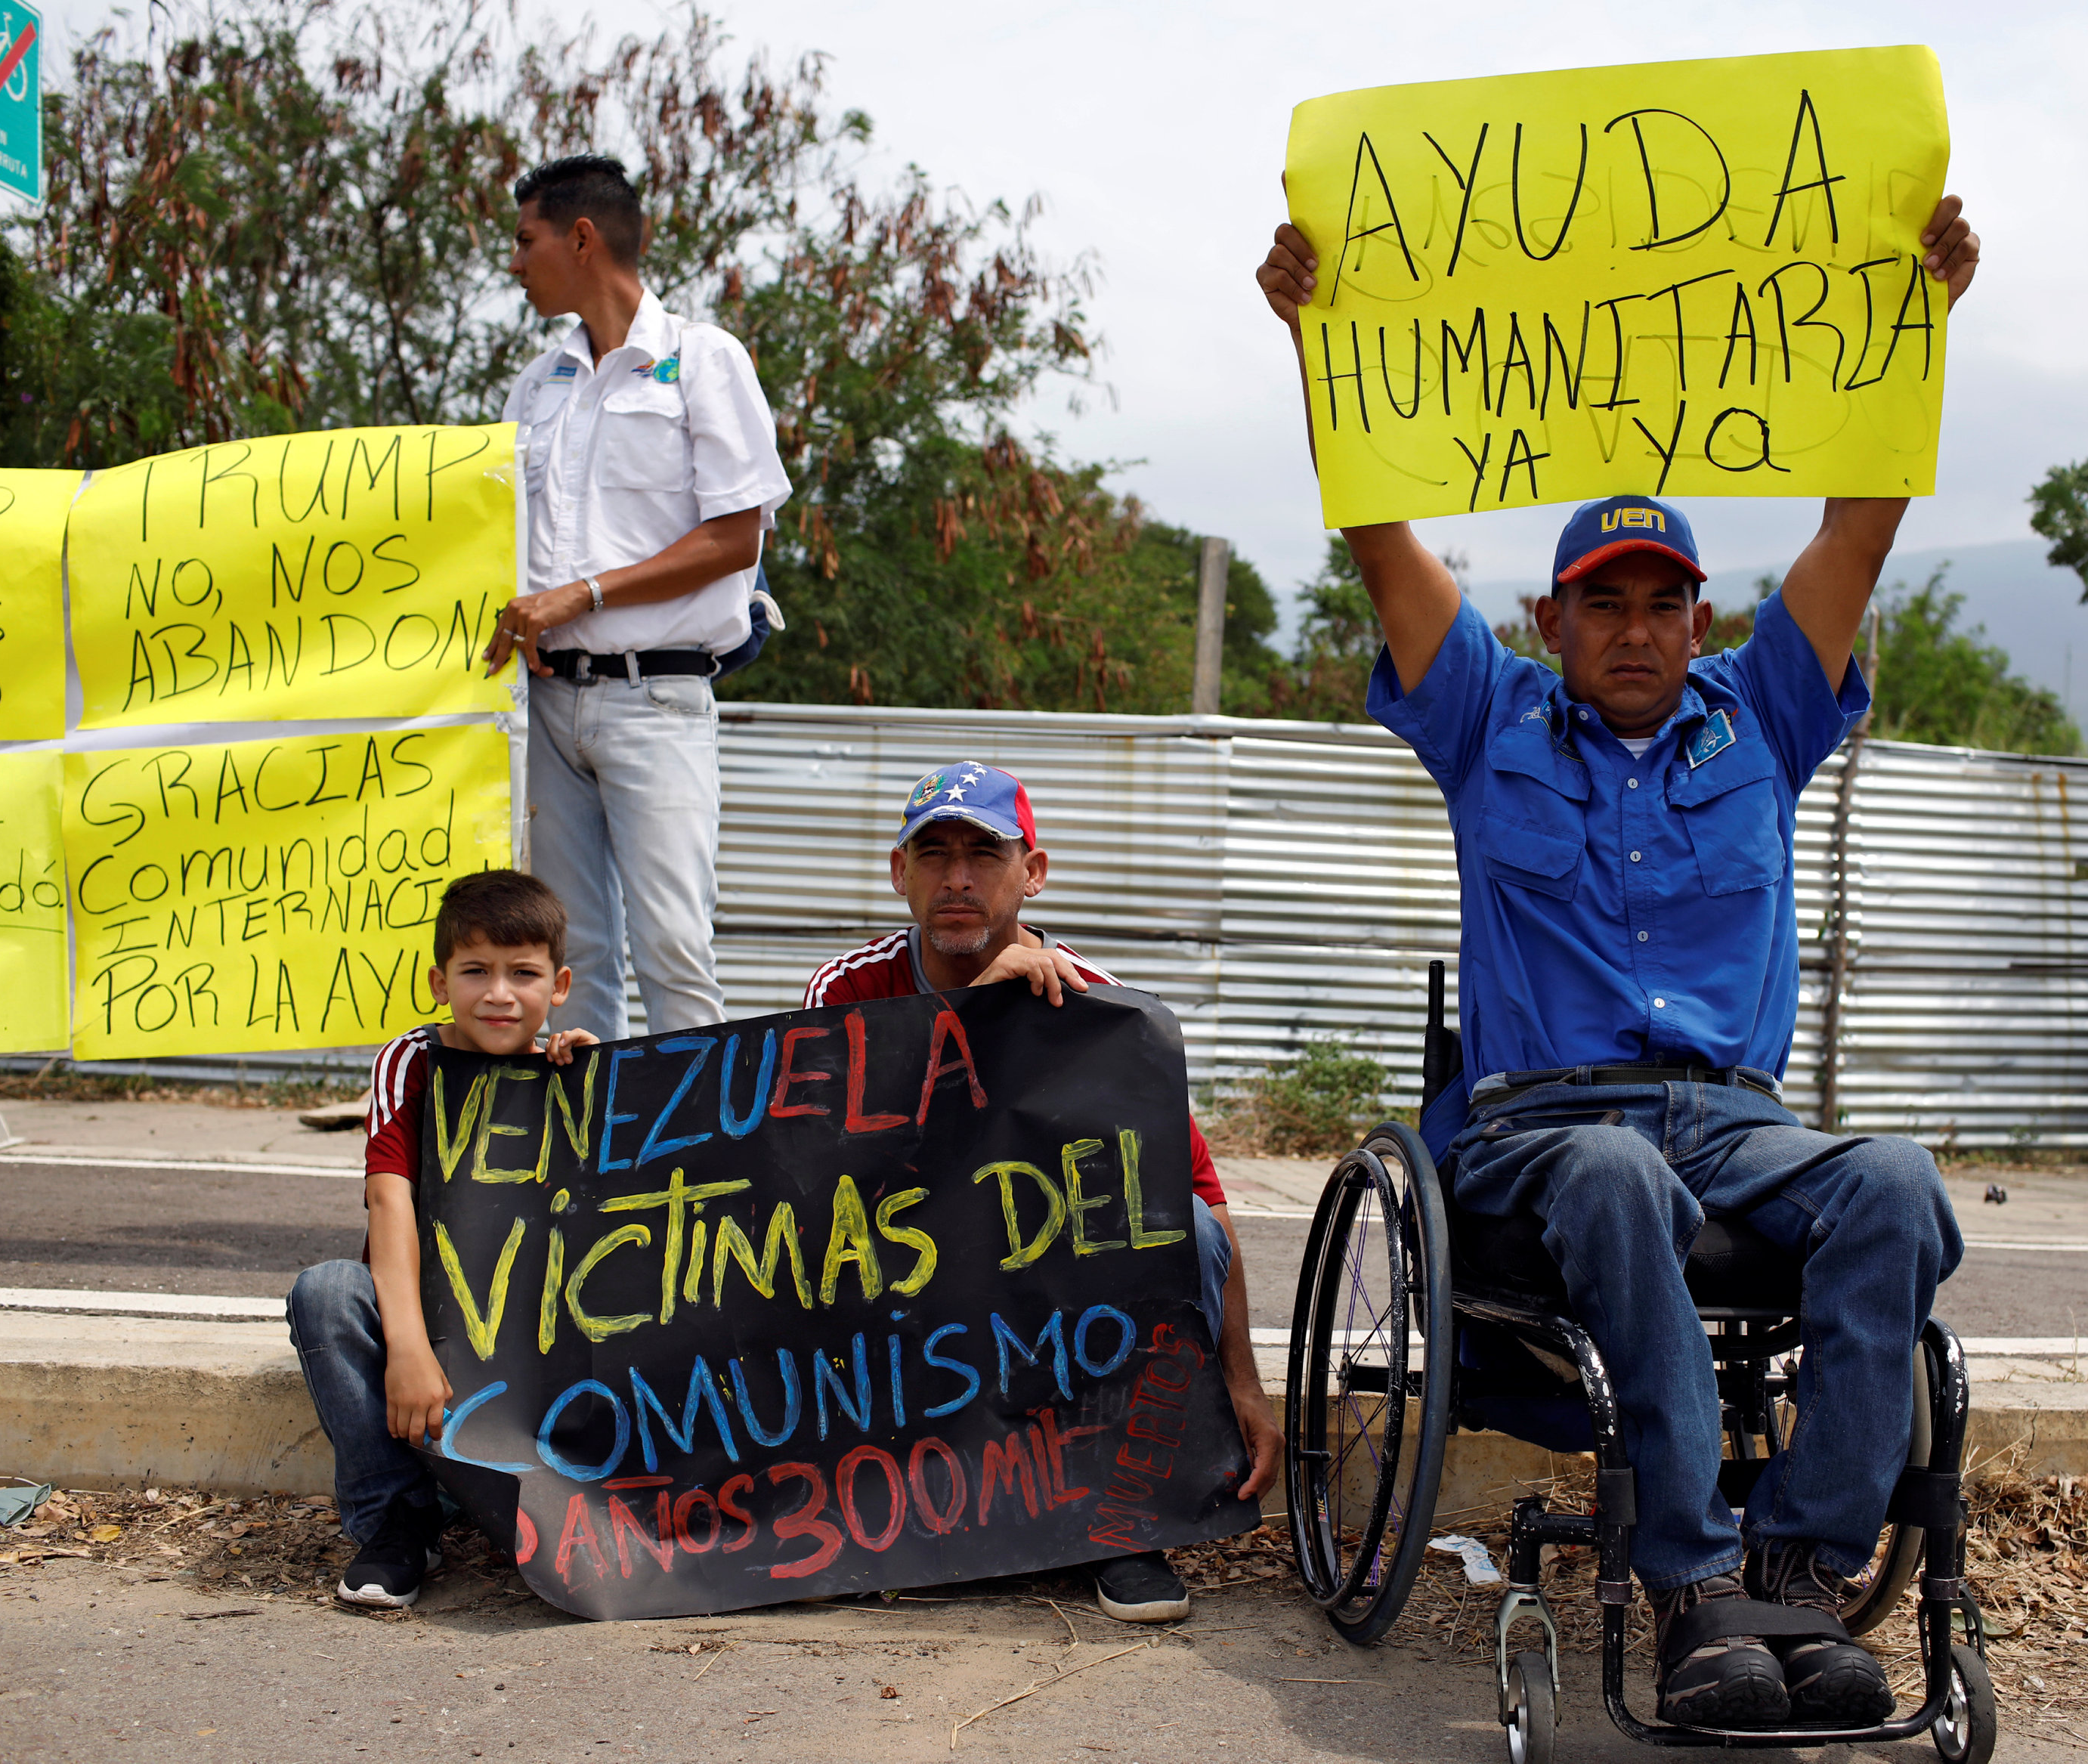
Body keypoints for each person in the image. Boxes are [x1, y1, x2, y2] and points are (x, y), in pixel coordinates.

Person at [1254, 201, 1983, 1728]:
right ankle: (1689, 1585)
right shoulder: (1486, 717)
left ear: (1701, 618)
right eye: (1605, 603)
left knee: (1899, 1185)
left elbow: (1860, 522)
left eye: (1663, 603)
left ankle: (1798, 1580)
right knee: (1610, 1177)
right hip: (1542, 1130)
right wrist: (1325, 350)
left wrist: (1918, 327)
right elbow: (1379, 532)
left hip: (1736, 1120)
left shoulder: (1765, 712)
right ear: (1552, 617)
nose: (1635, 630)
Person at [803, 760, 1285, 1625]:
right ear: (896, 873)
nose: (957, 878)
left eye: (984, 855)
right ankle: (902, 1499)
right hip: (917, 1285)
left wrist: (1244, 1386)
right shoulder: (847, 991)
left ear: (1033, 874)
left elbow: (1203, 1208)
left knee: (1183, 1238)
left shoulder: (1099, 1008)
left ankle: (1124, 1522)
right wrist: (962, 1033)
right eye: (934, 853)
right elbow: (831, 1182)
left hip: (1048, 1300)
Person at [483, 153, 791, 1042]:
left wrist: (577, 595)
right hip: (543, 705)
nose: (515, 261)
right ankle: (589, 1171)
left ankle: (692, 1168)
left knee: (672, 949)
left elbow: (738, 539)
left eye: (525, 239)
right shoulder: (537, 386)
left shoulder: (705, 360)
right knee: (564, 958)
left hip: (657, 697)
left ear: (581, 239)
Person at [286, 871, 599, 1608]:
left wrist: (597, 1077)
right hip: (427, 1325)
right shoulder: (412, 1063)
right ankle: (397, 1523)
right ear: (439, 980)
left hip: (523, 1347)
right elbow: (387, 1202)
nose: (498, 994)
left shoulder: (571, 1069)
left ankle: (564, 1501)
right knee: (327, 1293)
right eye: (475, 972)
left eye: (522, 974)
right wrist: (408, 1348)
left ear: (557, 986)